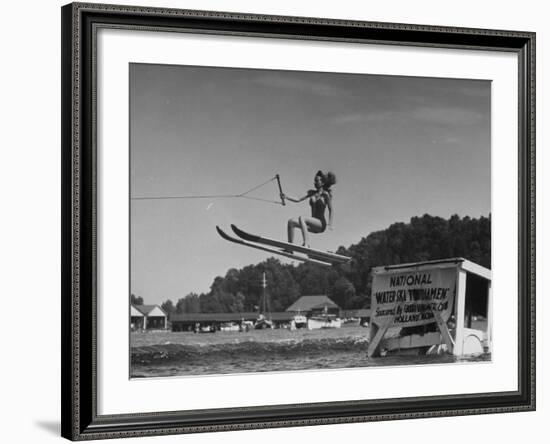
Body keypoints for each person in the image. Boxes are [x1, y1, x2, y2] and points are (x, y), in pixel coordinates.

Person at [280, 170, 335, 248]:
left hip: (320, 224)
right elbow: (298, 199)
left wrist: (330, 223)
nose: (314, 183)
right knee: (291, 222)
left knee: (302, 218)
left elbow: (331, 209)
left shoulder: (325, 195)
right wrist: (286, 197)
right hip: (311, 224)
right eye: (314, 181)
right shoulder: (311, 193)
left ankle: (306, 243)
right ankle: (289, 248)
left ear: (322, 183)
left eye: (316, 181)